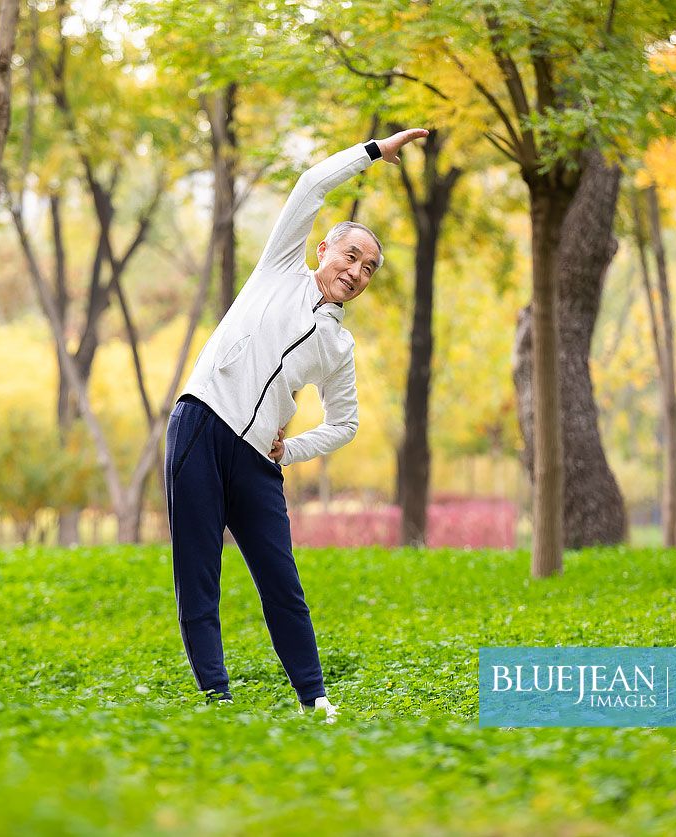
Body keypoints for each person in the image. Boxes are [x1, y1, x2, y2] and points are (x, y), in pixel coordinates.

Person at [163, 128, 430, 721]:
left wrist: (292, 450)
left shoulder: (339, 344)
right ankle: (216, 699)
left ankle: (316, 700)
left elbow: (347, 423)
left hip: (258, 462)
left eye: (369, 268)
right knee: (197, 575)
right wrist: (374, 152)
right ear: (324, 252)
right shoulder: (279, 269)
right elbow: (311, 185)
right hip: (202, 424)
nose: (357, 271)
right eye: (351, 255)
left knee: (283, 585)